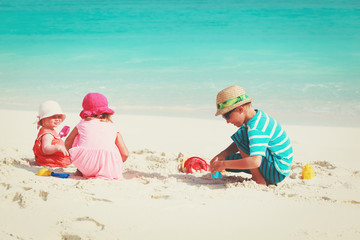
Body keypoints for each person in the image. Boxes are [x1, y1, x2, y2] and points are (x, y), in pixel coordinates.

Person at [209, 85, 293, 185]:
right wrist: (222, 156)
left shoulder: (256, 127)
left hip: (276, 170)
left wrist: (223, 164)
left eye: (227, 116)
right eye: (224, 117)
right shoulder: (254, 118)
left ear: (240, 109)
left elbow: (255, 162)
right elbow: (238, 145)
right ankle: (257, 175)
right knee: (227, 161)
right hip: (271, 165)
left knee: (240, 136)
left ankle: (258, 179)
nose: (227, 121)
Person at [65, 92, 129, 180]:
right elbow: (125, 154)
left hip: (85, 165)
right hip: (109, 168)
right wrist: (114, 164)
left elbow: (68, 142)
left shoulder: (82, 124)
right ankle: (107, 167)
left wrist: (74, 159)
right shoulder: (112, 126)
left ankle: (80, 169)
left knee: (78, 138)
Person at [33, 100, 71, 167]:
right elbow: (45, 149)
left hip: (48, 157)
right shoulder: (47, 134)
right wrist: (57, 147)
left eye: (59, 116)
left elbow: (52, 141)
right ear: (44, 119)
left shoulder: (49, 130)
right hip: (49, 159)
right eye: (53, 116)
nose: (57, 119)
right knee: (68, 160)